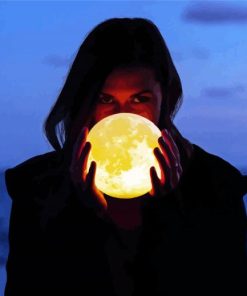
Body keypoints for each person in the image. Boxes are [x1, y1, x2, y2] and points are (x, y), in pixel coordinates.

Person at [4, 18, 247, 296]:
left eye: (140, 99)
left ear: (164, 98)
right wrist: (82, 217)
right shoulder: (36, 188)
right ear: (84, 101)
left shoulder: (217, 186)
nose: (123, 118)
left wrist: (167, 214)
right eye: (105, 99)